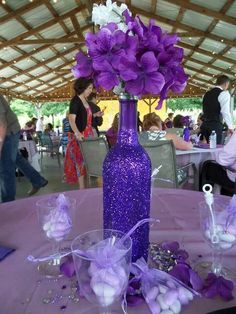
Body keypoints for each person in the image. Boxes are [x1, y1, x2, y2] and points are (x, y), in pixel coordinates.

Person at [0, 95, 48, 202]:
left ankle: (7, 204)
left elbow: (2, 123)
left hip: (8, 131)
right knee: (16, 158)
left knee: (5, 167)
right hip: (9, 130)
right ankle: (37, 180)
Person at [64, 78, 96, 189]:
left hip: (88, 135)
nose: (91, 90)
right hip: (80, 136)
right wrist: (77, 133)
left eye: (91, 88)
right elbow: (71, 119)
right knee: (80, 164)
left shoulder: (85, 100)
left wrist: (96, 115)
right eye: (89, 88)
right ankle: (82, 190)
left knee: (87, 164)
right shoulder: (75, 100)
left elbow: (86, 118)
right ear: (82, 87)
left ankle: (86, 189)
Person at [200, 131, 236, 196]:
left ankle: (204, 198)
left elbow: (224, 159)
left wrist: (216, 156)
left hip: (233, 179)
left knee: (208, 166)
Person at [200, 75, 234, 144]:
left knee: (203, 150)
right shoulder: (224, 93)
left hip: (204, 125)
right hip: (215, 126)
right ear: (226, 84)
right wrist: (230, 127)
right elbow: (225, 111)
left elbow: (204, 110)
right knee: (214, 150)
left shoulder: (207, 94)